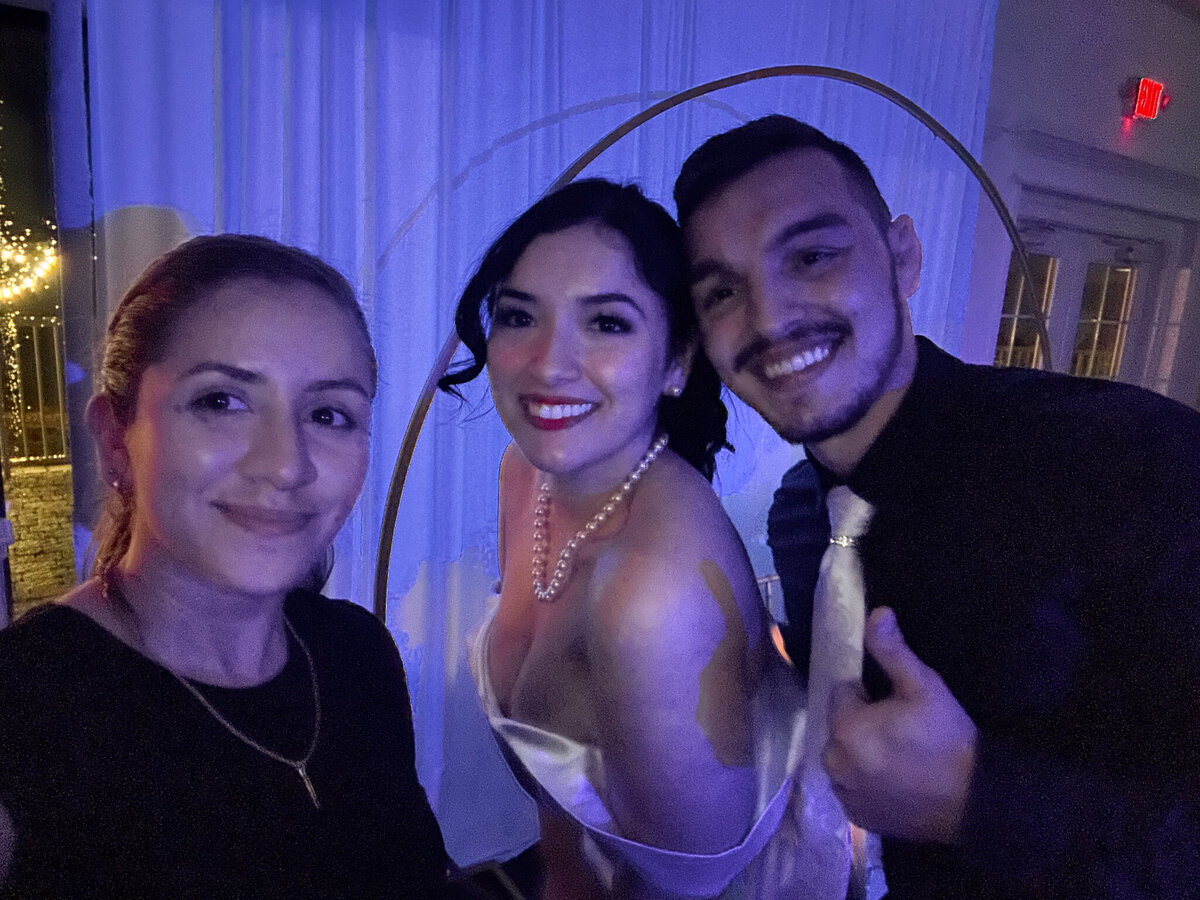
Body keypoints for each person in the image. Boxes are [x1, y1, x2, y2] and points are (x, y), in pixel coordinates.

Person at [673, 114, 1200, 899]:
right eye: (723, 291)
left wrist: (978, 802)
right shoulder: (800, 518)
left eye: (812, 255)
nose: (771, 318)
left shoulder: (1130, 460)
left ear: (903, 255)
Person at [0, 234, 450, 896]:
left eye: (329, 414)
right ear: (114, 439)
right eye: (222, 401)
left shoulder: (355, 653)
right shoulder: (23, 709)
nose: (286, 463)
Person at [440, 179, 851, 899]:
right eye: (518, 316)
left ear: (676, 361)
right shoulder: (528, 474)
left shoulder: (652, 594)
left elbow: (687, 883)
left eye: (606, 324)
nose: (547, 364)